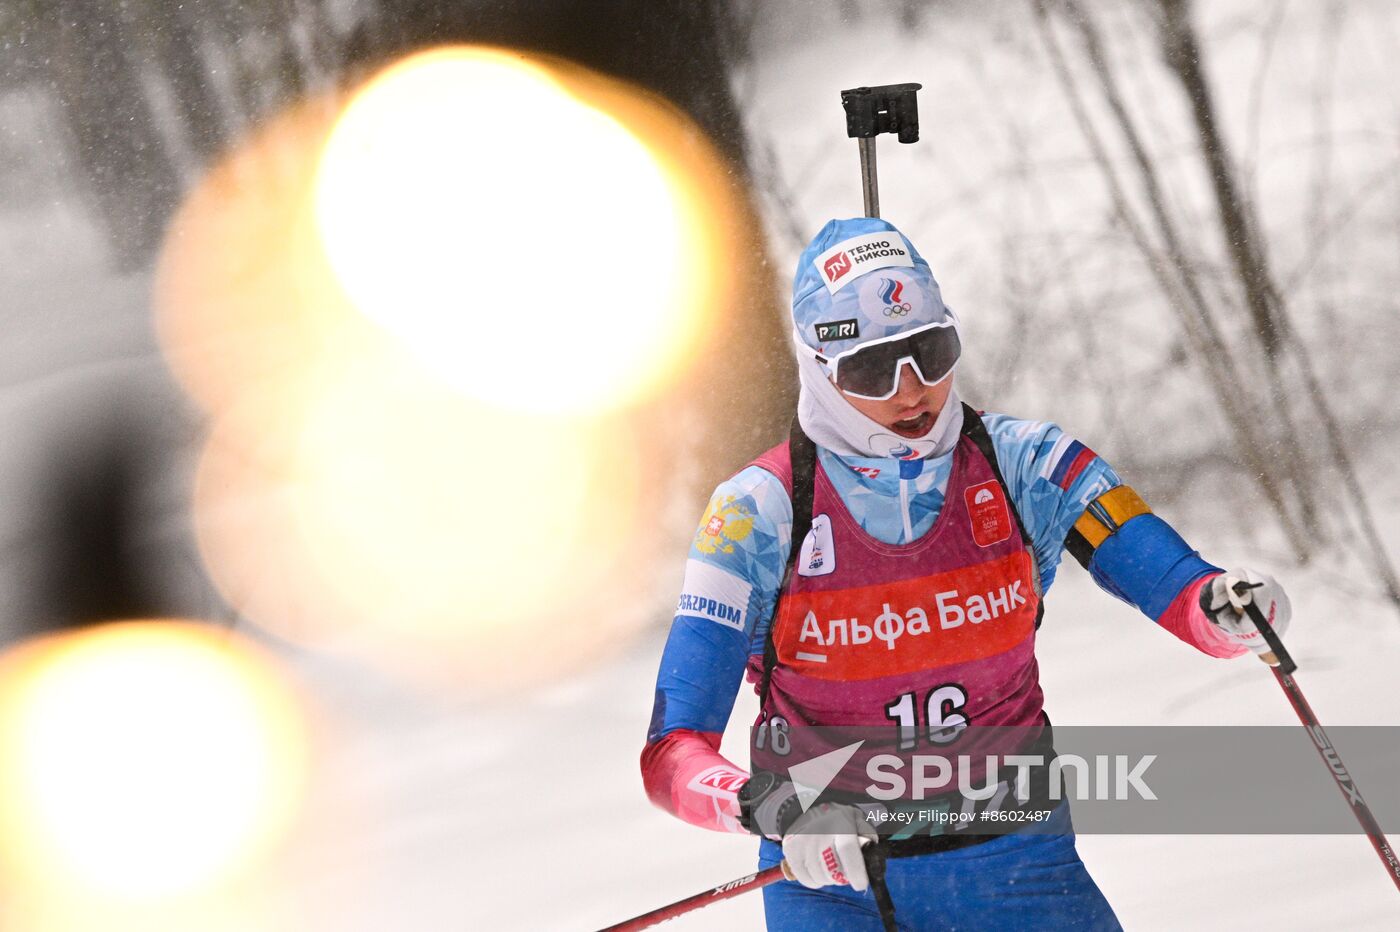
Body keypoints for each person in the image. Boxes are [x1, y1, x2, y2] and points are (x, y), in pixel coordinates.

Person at [640, 217, 1290, 930]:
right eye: (871, 367)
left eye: (930, 350)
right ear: (819, 371)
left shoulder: (1029, 465)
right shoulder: (756, 513)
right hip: (836, 884)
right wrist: (777, 809)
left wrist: (1226, 610)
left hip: (1018, 866)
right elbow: (672, 752)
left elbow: (1182, 591)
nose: (910, 387)